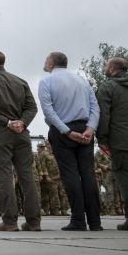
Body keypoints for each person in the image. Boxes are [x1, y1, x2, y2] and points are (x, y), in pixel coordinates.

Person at [0, 50, 41, 231]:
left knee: (3, 176)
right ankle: (34, 221)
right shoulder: (20, 81)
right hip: (22, 133)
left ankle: (10, 221)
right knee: (27, 176)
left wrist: (6, 122)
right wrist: (22, 122)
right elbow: (32, 107)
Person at [37, 51, 101, 231]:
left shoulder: (46, 81)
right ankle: (95, 221)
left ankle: (78, 220)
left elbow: (48, 111)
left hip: (62, 130)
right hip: (85, 128)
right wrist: (90, 128)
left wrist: (66, 131)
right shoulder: (82, 80)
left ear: (51, 63)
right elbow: (95, 106)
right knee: (88, 174)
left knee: (70, 174)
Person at [96, 57, 128, 230]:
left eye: (105, 65)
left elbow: (104, 115)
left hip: (122, 141)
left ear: (112, 69)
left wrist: (102, 139)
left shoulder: (108, 87)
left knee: (127, 179)